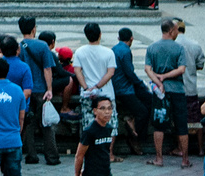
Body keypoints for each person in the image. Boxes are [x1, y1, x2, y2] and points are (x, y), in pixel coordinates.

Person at [145, 18, 190, 168]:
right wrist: (167, 76)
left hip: (160, 91)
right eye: (176, 29)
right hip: (177, 89)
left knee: (159, 125)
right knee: (181, 125)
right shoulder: (179, 48)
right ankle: (185, 160)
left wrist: (159, 81)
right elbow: (181, 69)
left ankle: (159, 158)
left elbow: (147, 69)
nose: (178, 32)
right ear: (171, 31)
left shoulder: (152, 47)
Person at [19, 16, 60, 167]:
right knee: (47, 124)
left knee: (28, 124)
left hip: (26, 91)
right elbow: (47, 69)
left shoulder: (19, 46)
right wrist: (49, 89)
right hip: (41, 89)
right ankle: (52, 156)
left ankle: (31, 155)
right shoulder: (42, 46)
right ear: (33, 29)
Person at [77, 25, 117, 147]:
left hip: (87, 94)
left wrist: (86, 87)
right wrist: (98, 86)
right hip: (106, 92)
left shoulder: (80, 51)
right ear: (100, 34)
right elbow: (110, 72)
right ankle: (109, 153)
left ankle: (90, 150)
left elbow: (78, 71)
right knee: (110, 123)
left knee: (88, 123)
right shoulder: (108, 52)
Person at [114, 29, 149, 157]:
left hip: (117, 87)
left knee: (146, 101)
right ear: (132, 38)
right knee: (143, 112)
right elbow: (129, 72)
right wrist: (140, 84)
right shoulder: (126, 51)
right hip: (125, 89)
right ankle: (135, 136)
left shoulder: (114, 49)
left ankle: (133, 124)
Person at [77, 96, 117, 176]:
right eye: (102, 108)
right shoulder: (89, 131)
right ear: (95, 111)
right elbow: (79, 155)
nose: (107, 112)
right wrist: (77, 173)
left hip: (106, 172)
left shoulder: (109, 128)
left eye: (109, 108)